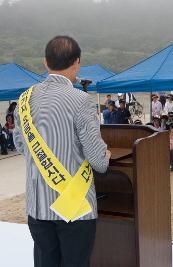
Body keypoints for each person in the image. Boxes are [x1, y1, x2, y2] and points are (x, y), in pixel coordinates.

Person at [12, 36, 111, 267]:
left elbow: (21, 145)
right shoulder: (81, 100)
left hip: (38, 206)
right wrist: (105, 154)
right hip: (74, 208)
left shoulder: (24, 99)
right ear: (77, 63)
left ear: (45, 62)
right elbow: (98, 162)